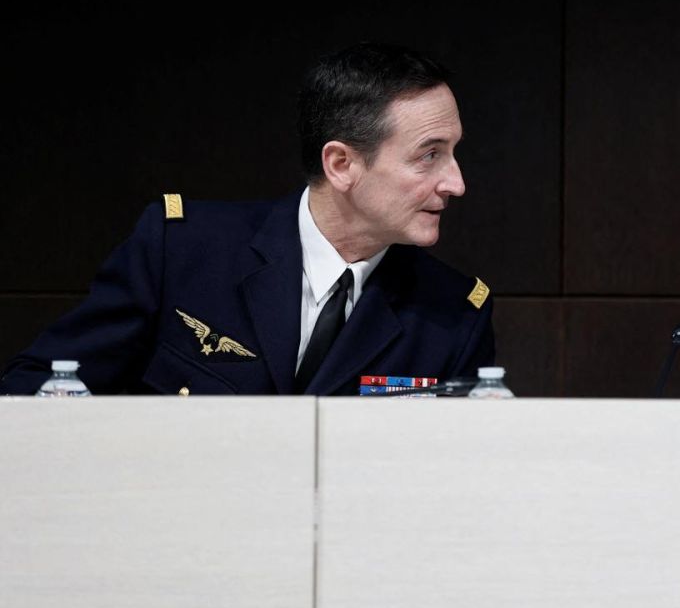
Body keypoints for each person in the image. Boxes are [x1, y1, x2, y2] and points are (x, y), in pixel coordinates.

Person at [1, 43, 495, 395]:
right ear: (342, 164)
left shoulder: (454, 314)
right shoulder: (184, 252)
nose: (456, 183)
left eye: (453, 152)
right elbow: (40, 386)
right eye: (429, 155)